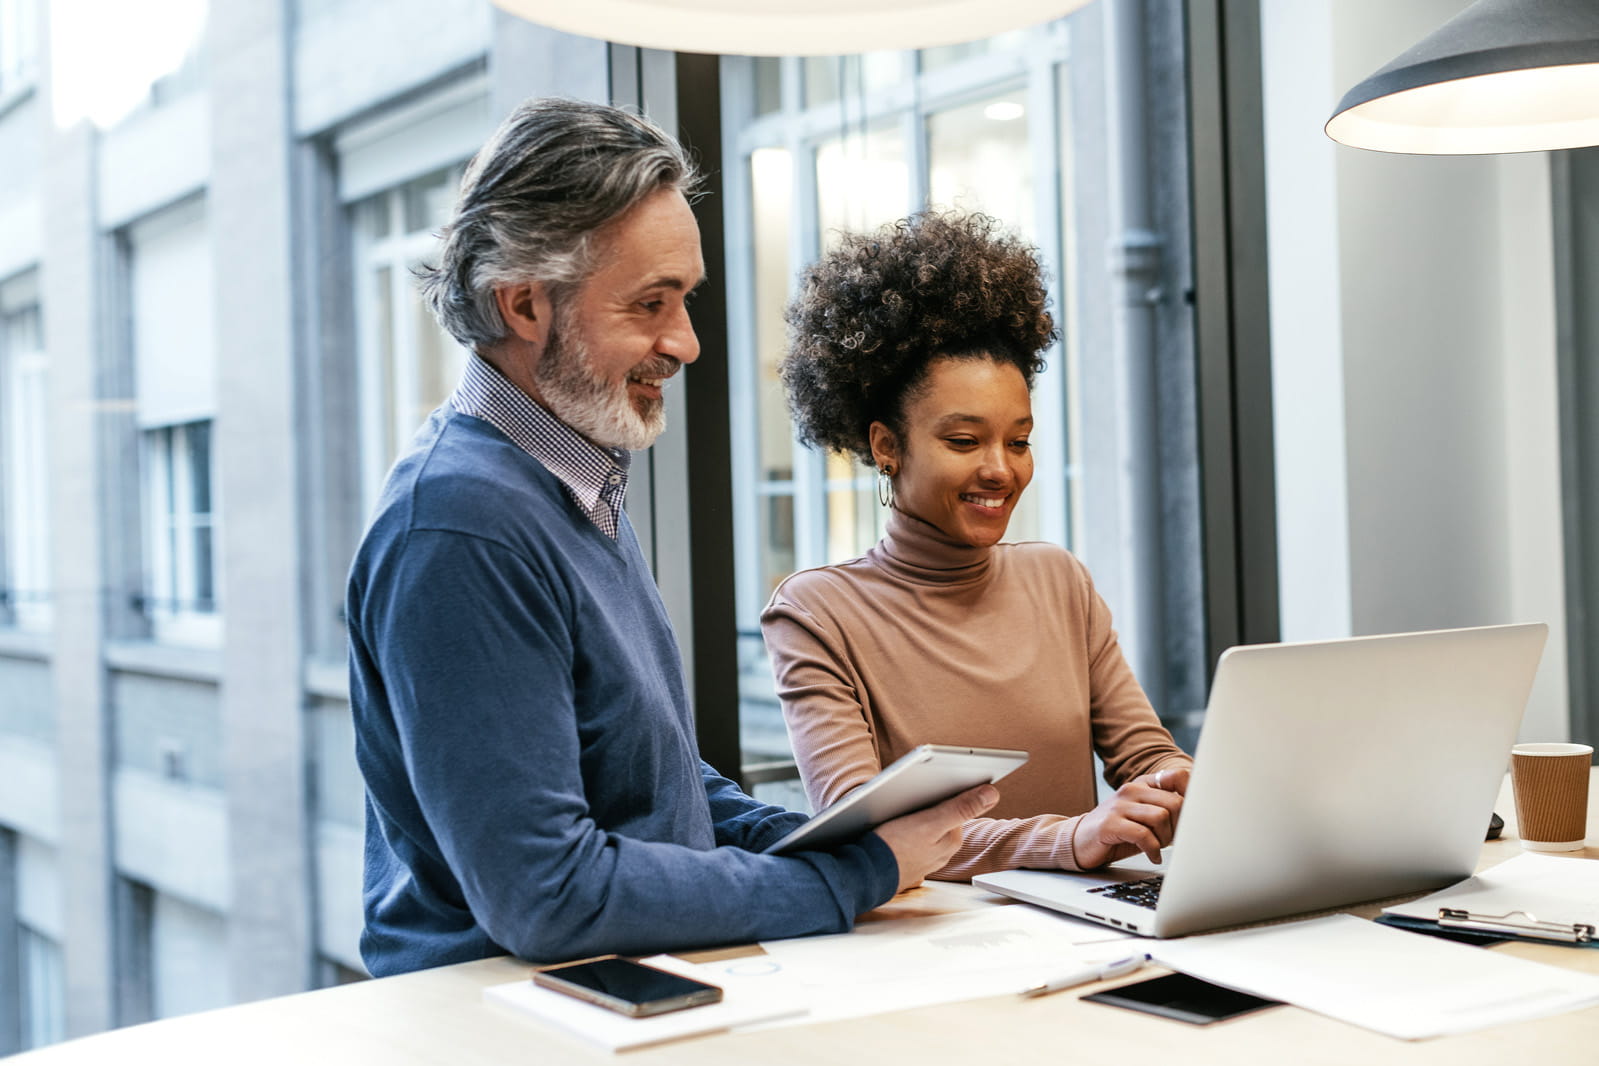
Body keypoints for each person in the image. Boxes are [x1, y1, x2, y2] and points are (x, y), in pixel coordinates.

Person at [345, 100, 997, 978]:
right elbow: (549, 893)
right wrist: (855, 874)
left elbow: (651, 789)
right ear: (524, 303)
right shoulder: (463, 527)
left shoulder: (571, 477)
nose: (685, 343)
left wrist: (834, 839)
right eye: (651, 304)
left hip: (622, 986)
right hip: (513, 1019)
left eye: (684, 299)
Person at [761, 211, 1192, 882]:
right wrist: (1069, 838)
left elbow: (1144, 755)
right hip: (936, 944)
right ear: (885, 445)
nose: (1000, 468)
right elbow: (861, 827)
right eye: (964, 441)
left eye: (1018, 440)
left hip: (1089, 929)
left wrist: (1182, 786)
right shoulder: (818, 612)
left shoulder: (1058, 580)